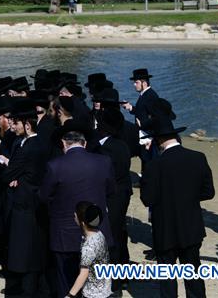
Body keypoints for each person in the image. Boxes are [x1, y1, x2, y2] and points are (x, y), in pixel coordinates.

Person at [140, 116, 215, 298]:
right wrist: (187, 198)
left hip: (165, 228)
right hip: (190, 226)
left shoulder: (153, 165)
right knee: (193, 274)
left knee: (166, 276)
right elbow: (208, 192)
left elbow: (147, 199)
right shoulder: (197, 157)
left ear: (158, 140)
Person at [39, 124, 115, 297]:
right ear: (85, 143)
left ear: (63, 144)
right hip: (96, 232)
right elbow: (111, 191)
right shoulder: (104, 162)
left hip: (65, 235)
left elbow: (43, 196)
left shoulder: (54, 165)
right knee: (96, 285)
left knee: (66, 283)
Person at [3, 100, 48, 297]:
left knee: (24, 251)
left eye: (17, 123)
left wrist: (14, 176)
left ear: (27, 125)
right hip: (34, 200)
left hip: (25, 203)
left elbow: (7, 174)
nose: (13, 126)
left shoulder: (27, 147)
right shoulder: (39, 143)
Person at [91, 103, 132, 294]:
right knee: (119, 235)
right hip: (121, 195)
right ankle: (122, 277)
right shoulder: (120, 144)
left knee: (111, 239)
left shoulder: (105, 149)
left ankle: (114, 283)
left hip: (112, 198)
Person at [65, 201, 111, 298]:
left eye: (75, 215)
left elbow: (84, 273)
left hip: (92, 294)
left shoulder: (88, 247)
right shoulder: (99, 234)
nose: (74, 216)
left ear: (82, 222)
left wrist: (70, 295)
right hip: (104, 289)